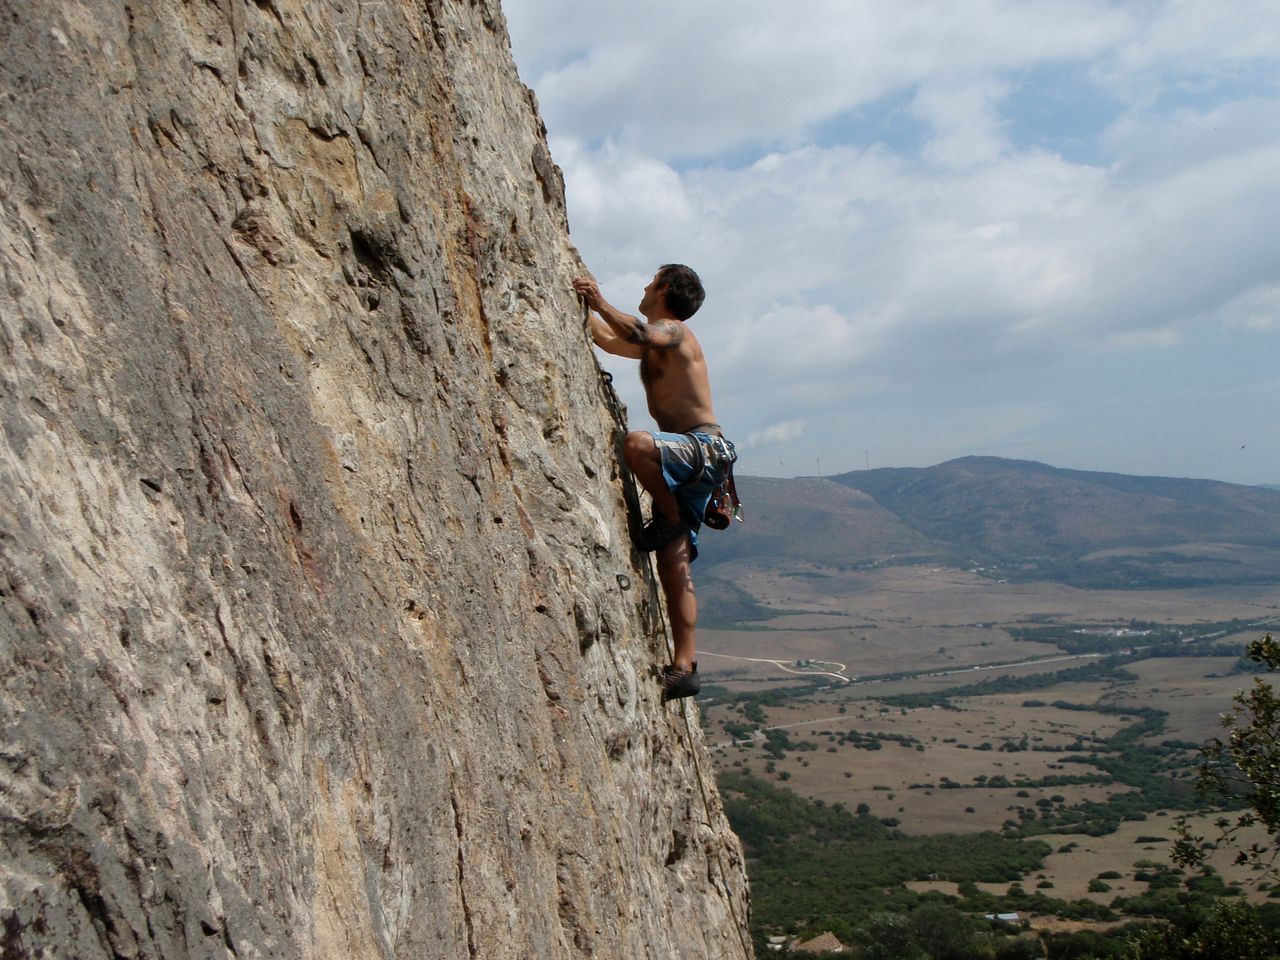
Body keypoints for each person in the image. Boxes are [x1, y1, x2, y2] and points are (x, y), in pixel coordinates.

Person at [573, 264, 736, 702]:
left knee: (639, 445)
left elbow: (642, 333)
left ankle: (665, 511)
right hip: (698, 459)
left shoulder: (674, 332)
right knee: (673, 565)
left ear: (664, 289)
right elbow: (609, 339)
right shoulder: (657, 342)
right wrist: (571, 301)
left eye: (651, 281)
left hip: (700, 448)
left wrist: (601, 301)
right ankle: (686, 668)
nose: (644, 286)